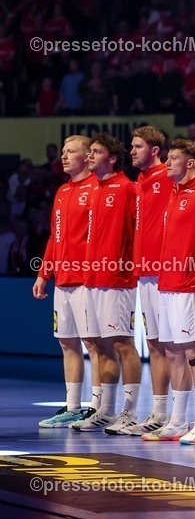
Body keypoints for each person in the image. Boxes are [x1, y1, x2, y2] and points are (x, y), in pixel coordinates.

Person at [70, 134, 142, 432]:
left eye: (96, 152)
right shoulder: (94, 190)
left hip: (118, 279)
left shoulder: (127, 188)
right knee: (99, 345)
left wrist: (130, 266)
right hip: (92, 278)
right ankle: (106, 410)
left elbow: (137, 232)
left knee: (123, 343)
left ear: (111, 157)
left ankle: (131, 412)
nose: (90, 156)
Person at [143, 140, 195, 442]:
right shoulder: (173, 194)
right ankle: (178, 420)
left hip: (192, 283)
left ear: (191, 163)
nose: (167, 164)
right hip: (167, 283)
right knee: (172, 351)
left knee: (194, 350)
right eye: (166, 158)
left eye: (173, 159)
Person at [33, 135, 101, 428]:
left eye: (70, 152)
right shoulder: (62, 191)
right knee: (67, 343)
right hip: (63, 280)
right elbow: (54, 236)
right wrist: (43, 273)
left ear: (86, 157)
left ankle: (98, 407)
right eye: (63, 151)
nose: (63, 156)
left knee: (94, 344)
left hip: (87, 280)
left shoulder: (98, 188)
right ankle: (73, 406)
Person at [118, 126, 173, 436]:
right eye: (131, 146)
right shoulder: (140, 181)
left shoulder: (168, 176)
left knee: (171, 346)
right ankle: (159, 411)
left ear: (154, 150)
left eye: (138, 146)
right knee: (153, 344)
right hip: (144, 271)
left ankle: (172, 415)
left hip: (165, 271)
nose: (132, 151)